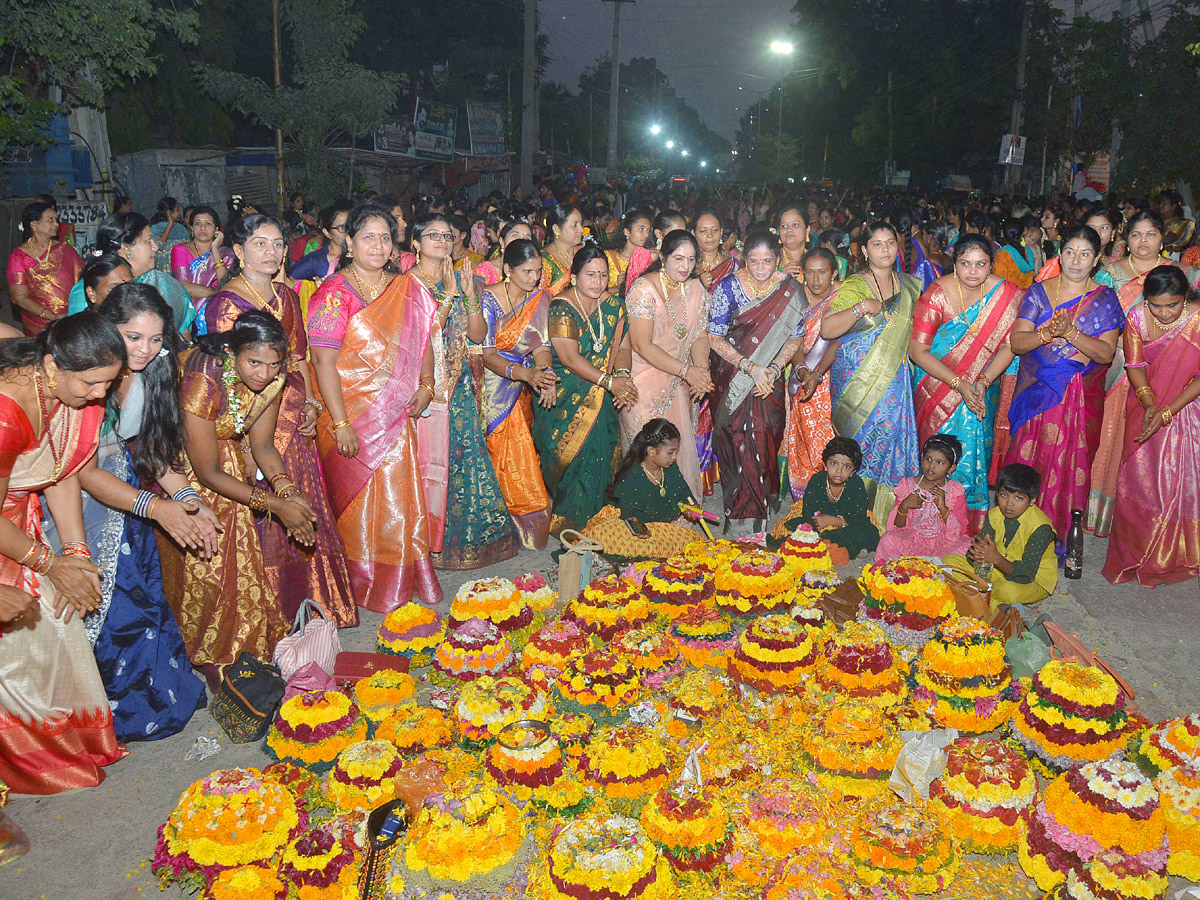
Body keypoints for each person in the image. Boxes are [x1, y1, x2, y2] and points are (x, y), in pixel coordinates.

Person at [69, 284, 210, 741]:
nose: (145, 350)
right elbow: (85, 472)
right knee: (108, 611)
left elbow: (152, 453)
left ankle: (157, 698)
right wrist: (157, 508)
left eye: (155, 339)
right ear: (107, 328)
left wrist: (189, 500)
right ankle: (109, 716)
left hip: (127, 497)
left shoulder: (151, 372)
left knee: (144, 599)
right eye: (133, 337)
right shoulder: (89, 376)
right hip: (78, 503)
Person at [205, 214, 356, 626]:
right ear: (237, 252)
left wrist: (310, 404)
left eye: (277, 244)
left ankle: (317, 605)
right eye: (260, 244)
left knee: (304, 504)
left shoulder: (287, 296)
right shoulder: (225, 304)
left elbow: (299, 358)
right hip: (249, 420)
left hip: (293, 413)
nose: (271, 253)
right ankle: (273, 613)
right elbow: (229, 377)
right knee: (265, 520)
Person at [0, 312, 127, 794]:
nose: (99, 395)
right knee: (17, 655)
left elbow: (61, 468)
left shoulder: (67, 390)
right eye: (92, 383)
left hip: (20, 527)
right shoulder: (7, 410)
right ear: (53, 366)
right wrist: (50, 564)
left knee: (56, 628)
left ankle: (67, 747)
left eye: (109, 383)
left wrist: (76, 553)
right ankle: (29, 762)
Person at [164, 312, 314, 686]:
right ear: (232, 353)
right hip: (183, 469)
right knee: (208, 568)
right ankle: (210, 654)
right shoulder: (204, 378)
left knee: (241, 561)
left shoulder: (275, 377)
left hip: (230, 460)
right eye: (253, 363)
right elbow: (207, 472)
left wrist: (289, 493)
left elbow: (262, 444)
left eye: (273, 363)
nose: (263, 374)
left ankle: (242, 646)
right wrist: (276, 507)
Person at [308, 206, 442, 612]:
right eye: (368, 237)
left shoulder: (404, 286)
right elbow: (322, 361)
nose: (378, 245)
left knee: (400, 496)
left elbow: (421, 340)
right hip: (349, 413)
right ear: (349, 242)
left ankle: (400, 576)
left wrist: (426, 383)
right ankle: (361, 581)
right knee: (358, 500)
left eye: (385, 237)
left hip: (397, 411)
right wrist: (342, 422)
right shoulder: (333, 294)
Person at [408, 213, 516, 569]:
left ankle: (463, 543)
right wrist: (450, 297)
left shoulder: (464, 276)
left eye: (447, 235)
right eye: (432, 234)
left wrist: (469, 296)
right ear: (415, 243)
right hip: (425, 386)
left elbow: (476, 336)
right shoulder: (408, 285)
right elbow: (419, 334)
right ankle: (423, 546)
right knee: (427, 463)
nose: (441, 240)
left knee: (464, 461)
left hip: (459, 387)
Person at [1005, 225, 1124, 543]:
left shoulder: (1105, 298)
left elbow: (1105, 353)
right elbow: (1017, 343)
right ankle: (1015, 536)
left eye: (1085, 254)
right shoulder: (1039, 292)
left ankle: (1052, 538)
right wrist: (1048, 334)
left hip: (1078, 400)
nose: (1075, 260)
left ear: (1097, 258)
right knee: (1028, 466)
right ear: (1060, 253)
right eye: (1069, 252)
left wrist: (1071, 333)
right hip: (1038, 397)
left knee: (1069, 469)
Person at [1087, 211, 1200, 535]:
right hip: (1119, 366)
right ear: (1126, 238)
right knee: (1112, 438)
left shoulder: (1187, 274)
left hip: (1173, 375)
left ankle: (1142, 522)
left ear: (1162, 238)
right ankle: (1103, 516)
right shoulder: (1110, 274)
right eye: (1136, 234)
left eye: (1150, 234)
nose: (1143, 241)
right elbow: (1098, 320)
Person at [909, 235, 1022, 530]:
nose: (973, 271)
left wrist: (983, 382)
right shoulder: (935, 294)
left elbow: (1010, 346)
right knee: (936, 457)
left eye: (981, 264)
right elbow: (917, 351)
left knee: (975, 453)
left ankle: (965, 524)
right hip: (937, 387)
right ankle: (926, 520)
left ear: (991, 265)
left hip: (984, 385)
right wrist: (959, 384)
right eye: (965, 264)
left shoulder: (1006, 295)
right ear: (954, 263)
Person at [1103, 267, 1200, 586]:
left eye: (1172, 305)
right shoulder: (1137, 317)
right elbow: (1136, 364)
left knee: (1180, 483)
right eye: (1156, 305)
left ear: (1185, 298)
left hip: (1187, 407)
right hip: (1143, 405)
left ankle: (1178, 554)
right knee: (1139, 481)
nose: (1163, 312)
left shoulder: (1197, 318)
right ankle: (1138, 551)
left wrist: (1167, 411)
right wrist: (1148, 405)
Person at [532, 247, 637, 535]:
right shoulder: (562, 306)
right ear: (574, 276)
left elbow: (624, 348)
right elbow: (568, 357)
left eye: (603, 275)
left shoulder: (614, 306)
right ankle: (571, 527)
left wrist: (623, 375)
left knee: (601, 456)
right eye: (590, 275)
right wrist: (609, 381)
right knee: (571, 461)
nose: (598, 281)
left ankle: (600, 522)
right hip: (565, 393)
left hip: (602, 393)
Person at [707, 228, 807, 529]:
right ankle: (739, 512)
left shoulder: (791, 290)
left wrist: (774, 369)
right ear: (744, 260)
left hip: (769, 378)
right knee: (736, 437)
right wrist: (751, 367)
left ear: (778, 259)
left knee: (765, 433)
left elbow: (795, 338)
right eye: (754, 261)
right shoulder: (727, 287)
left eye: (767, 261)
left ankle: (763, 502)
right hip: (734, 375)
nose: (761, 269)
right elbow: (714, 336)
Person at [822, 220, 922, 519]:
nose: (885, 249)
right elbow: (828, 329)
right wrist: (861, 307)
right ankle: (852, 512)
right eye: (877, 244)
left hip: (895, 379)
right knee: (862, 442)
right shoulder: (856, 285)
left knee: (891, 440)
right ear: (864, 250)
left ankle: (885, 515)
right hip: (857, 380)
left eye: (891, 242)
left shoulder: (910, 285)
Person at [623, 230, 713, 502]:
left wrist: (701, 369)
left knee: (675, 453)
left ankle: (677, 523)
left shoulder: (696, 289)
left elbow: (700, 335)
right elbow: (641, 345)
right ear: (663, 257)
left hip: (678, 383)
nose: (685, 267)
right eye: (678, 259)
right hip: (644, 386)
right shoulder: (643, 289)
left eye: (690, 259)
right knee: (648, 455)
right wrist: (688, 372)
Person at [479, 239, 555, 551]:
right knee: (504, 452)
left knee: (525, 451)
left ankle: (523, 520)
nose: (533, 278)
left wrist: (545, 376)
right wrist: (525, 375)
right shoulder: (488, 300)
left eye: (537, 271)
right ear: (507, 270)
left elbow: (542, 344)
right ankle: (504, 522)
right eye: (526, 272)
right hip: (492, 384)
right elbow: (486, 354)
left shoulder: (540, 298)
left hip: (524, 382)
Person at [581, 418, 702, 561]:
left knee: (694, 541)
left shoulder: (671, 469)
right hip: (633, 533)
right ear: (651, 451)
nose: (675, 457)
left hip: (659, 530)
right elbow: (627, 516)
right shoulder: (632, 476)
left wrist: (692, 506)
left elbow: (684, 494)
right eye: (670, 452)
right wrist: (639, 529)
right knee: (606, 538)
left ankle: (650, 556)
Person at [945, 463, 1058, 609]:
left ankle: (982, 603)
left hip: (1032, 580)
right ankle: (982, 598)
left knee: (1006, 591)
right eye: (1004, 495)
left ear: (1032, 500)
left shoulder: (1041, 528)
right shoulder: (994, 516)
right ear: (997, 494)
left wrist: (996, 558)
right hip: (999, 569)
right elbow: (973, 554)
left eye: (1018, 498)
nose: (1009, 504)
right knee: (949, 562)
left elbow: (1026, 574)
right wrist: (978, 556)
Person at [68, 214, 196, 339]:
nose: (155, 247)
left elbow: (183, 337)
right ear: (126, 248)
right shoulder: (90, 288)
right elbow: (80, 341)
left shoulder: (165, 284)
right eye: (148, 240)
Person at [785, 248, 841, 496]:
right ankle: (804, 498)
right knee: (804, 442)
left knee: (828, 444)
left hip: (830, 380)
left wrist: (816, 374)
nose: (816, 279)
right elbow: (793, 340)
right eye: (810, 272)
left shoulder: (841, 299)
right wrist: (801, 370)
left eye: (822, 272)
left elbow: (838, 341)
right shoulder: (796, 298)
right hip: (802, 376)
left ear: (834, 273)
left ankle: (831, 497)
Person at [769, 436, 880, 560]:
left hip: (845, 522)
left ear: (853, 471)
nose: (839, 471)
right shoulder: (817, 480)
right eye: (834, 463)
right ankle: (841, 547)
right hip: (818, 520)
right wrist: (819, 523)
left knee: (867, 532)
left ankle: (843, 546)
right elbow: (808, 511)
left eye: (847, 467)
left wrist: (833, 521)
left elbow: (858, 516)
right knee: (796, 531)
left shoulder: (856, 484)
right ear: (825, 465)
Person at [693, 209, 740, 495]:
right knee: (698, 409)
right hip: (693, 343)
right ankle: (699, 473)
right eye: (702, 231)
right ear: (694, 233)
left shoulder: (735, 265)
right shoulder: (686, 263)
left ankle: (724, 469)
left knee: (725, 408)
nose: (709, 236)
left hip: (727, 345)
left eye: (714, 230)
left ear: (722, 233)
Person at [875, 434, 972, 562]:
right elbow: (897, 527)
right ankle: (925, 564)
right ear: (922, 459)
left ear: (952, 468)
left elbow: (959, 531)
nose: (931, 466)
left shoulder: (955, 490)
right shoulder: (907, 485)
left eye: (940, 462)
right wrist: (905, 505)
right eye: (928, 459)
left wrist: (943, 508)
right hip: (914, 540)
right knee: (888, 539)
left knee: (967, 546)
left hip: (944, 543)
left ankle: (924, 564)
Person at [6, 200, 84, 336]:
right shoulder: (19, 256)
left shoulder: (66, 249)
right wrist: (48, 315)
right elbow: (19, 297)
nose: (56, 224)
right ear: (34, 225)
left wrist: (73, 312)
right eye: (50, 220)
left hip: (70, 319)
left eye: (56, 220)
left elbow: (82, 282)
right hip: (38, 323)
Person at [170, 206, 235, 314]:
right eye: (198, 223)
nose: (203, 228)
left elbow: (225, 282)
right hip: (191, 313)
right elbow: (184, 286)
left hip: (222, 311)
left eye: (208, 224)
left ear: (216, 229)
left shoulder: (226, 253)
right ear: (191, 228)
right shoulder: (180, 250)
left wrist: (215, 250)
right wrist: (217, 292)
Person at [289, 201, 353, 283]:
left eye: (350, 226)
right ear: (326, 232)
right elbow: (288, 281)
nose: (347, 231)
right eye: (341, 227)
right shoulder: (316, 260)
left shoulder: (361, 255)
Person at [474, 220, 534, 292]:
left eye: (527, 238)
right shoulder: (484, 270)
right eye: (515, 235)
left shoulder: (534, 271)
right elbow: (474, 299)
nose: (520, 241)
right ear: (502, 242)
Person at [605, 209, 653, 295]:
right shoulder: (608, 257)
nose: (646, 235)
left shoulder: (649, 260)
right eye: (641, 229)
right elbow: (594, 293)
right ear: (627, 232)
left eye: (648, 230)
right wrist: (618, 287)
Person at [539, 205, 584, 296]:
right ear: (556, 229)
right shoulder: (544, 261)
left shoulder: (584, 252)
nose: (581, 230)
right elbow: (539, 300)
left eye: (581, 224)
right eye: (574, 225)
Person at [992, 217, 1042, 289]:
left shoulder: (1002, 254)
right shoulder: (1029, 253)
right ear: (1022, 234)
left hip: (1006, 297)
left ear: (1002, 233)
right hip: (1024, 297)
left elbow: (998, 284)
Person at [776, 205, 808, 280]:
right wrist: (781, 278)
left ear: (807, 230)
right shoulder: (769, 261)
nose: (789, 229)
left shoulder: (816, 260)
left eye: (795, 225)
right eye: (784, 226)